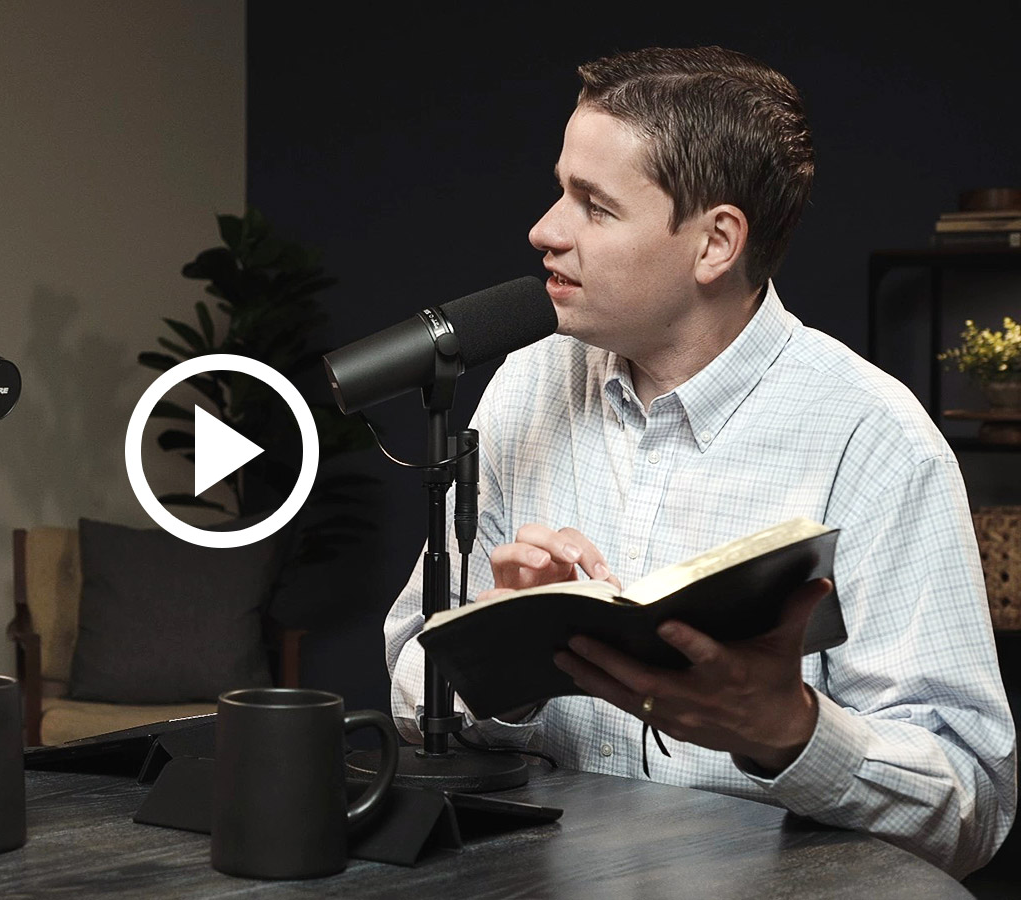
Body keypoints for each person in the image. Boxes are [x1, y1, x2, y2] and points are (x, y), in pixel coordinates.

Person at [384, 46, 1015, 877]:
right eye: (560, 189)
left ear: (716, 243)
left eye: (594, 205)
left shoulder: (875, 441)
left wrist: (790, 731)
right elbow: (409, 679)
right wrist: (505, 663)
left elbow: (971, 805)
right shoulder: (529, 382)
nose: (545, 230)